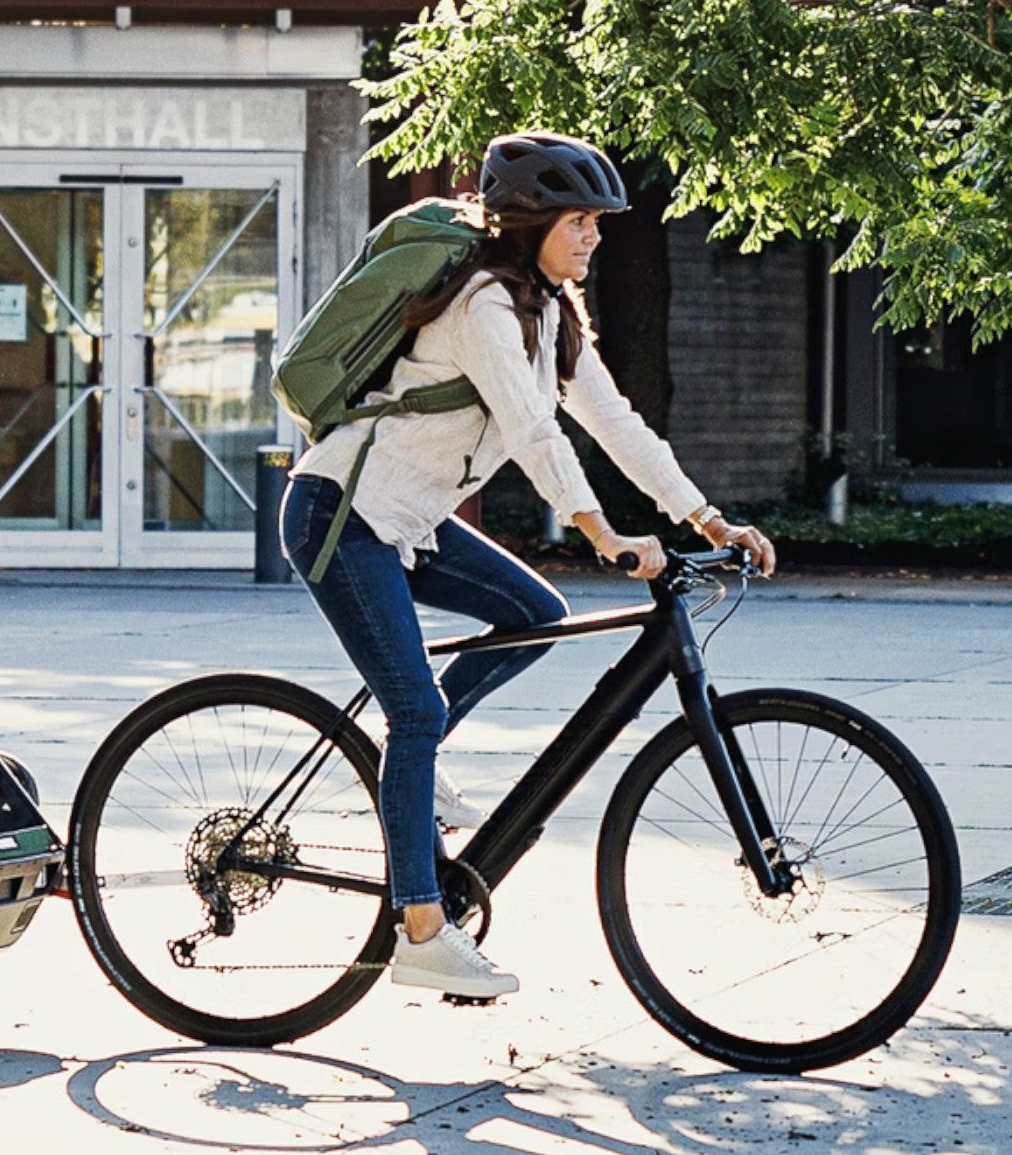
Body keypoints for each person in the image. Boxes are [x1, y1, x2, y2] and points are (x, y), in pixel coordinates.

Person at [280, 132, 778, 1001]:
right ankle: (422, 932)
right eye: (580, 222)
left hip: (413, 519)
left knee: (534, 618)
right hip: (343, 514)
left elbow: (616, 424)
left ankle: (414, 764)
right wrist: (600, 532)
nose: (593, 238)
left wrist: (703, 516)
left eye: (597, 224)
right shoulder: (481, 306)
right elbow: (532, 430)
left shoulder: (549, 313)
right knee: (417, 711)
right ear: (529, 222)